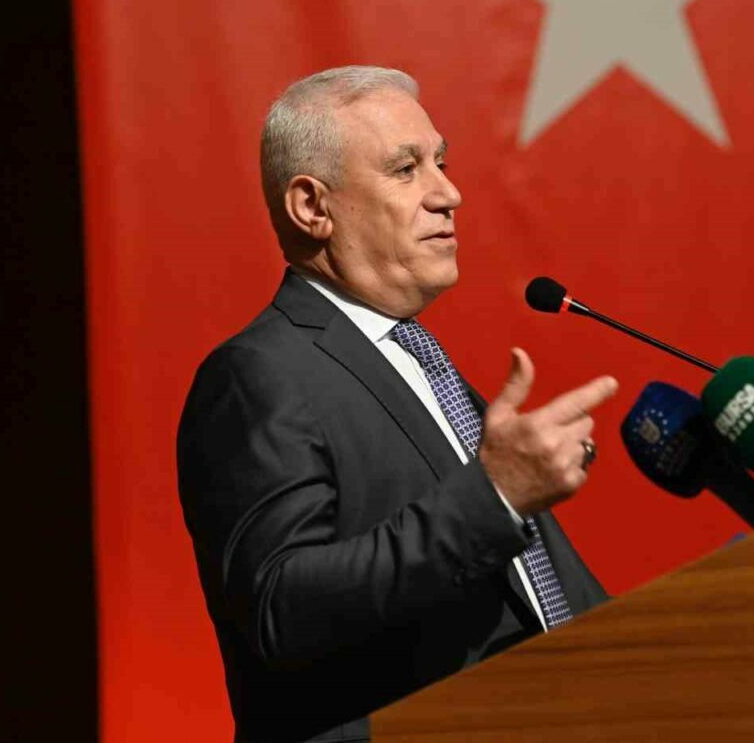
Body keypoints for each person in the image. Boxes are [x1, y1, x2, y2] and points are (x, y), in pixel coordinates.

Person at [177, 66, 618, 743]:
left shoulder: (425, 367)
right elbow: (280, 608)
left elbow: (549, 604)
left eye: (441, 162)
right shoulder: (257, 374)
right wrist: (494, 498)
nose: (449, 193)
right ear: (312, 207)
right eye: (406, 169)